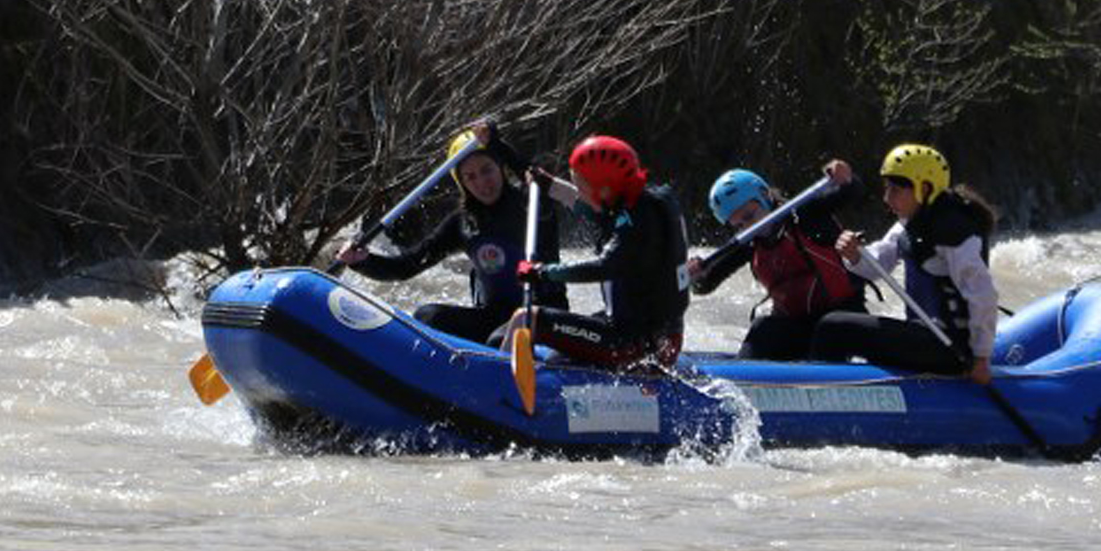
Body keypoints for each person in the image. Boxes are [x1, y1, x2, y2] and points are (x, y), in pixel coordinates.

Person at [334, 122, 570, 344]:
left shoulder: (532, 203)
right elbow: (409, 265)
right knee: (428, 316)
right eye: (470, 177)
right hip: (495, 320)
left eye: (487, 170)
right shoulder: (463, 224)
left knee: (501, 338)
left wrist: (496, 143)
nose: (482, 182)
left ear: (500, 167)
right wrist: (363, 262)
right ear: (462, 183)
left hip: (543, 319)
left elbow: (534, 175)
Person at [810, 144, 999, 384]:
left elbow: (983, 295)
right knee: (832, 323)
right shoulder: (910, 223)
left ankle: (820, 397)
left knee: (833, 327)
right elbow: (878, 262)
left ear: (925, 188)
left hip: (951, 350)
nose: (887, 198)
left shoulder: (954, 231)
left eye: (895, 189)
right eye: (887, 188)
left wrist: (981, 359)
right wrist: (855, 254)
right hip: (926, 337)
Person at [502, 135, 690, 369]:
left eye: (581, 185)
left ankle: (495, 386)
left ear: (604, 188)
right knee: (548, 354)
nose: (579, 193)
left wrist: (542, 272)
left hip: (636, 344)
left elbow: (603, 267)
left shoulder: (637, 224)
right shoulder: (643, 202)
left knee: (526, 320)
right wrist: (546, 183)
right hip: (649, 335)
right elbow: (586, 208)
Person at [688, 161, 872, 360]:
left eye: (750, 215)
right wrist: (696, 275)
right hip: (800, 327)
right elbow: (704, 285)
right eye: (738, 224)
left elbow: (853, 191)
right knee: (763, 327)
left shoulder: (805, 215)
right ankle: (747, 381)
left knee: (828, 328)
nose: (749, 226)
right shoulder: (750, 243)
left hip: (843, 319)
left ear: (765, 196)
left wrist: (845, 177)